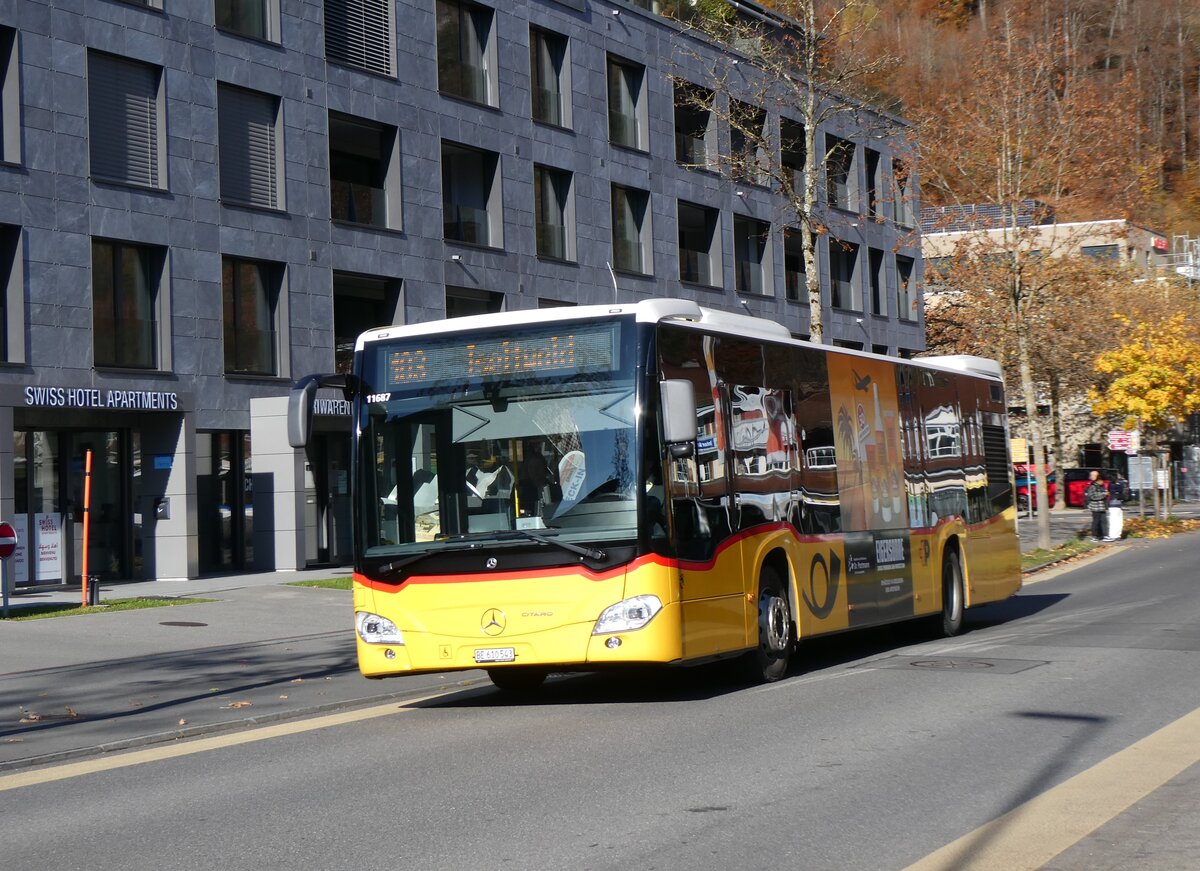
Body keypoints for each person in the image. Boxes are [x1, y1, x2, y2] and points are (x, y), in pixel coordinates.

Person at [1083, 470, 1109, 541]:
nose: (1102, 482)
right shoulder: (1092, 486)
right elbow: (1092, 496)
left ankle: (1104, 535)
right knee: (1096, 521)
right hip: (1095, 507)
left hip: (1102, 506)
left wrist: (1105, 494)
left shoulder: (1101, 486)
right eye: (1101, 480)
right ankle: (1094, 536)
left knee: (1104, 521)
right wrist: (1104, 494)